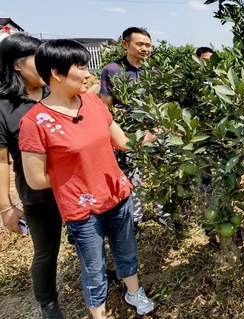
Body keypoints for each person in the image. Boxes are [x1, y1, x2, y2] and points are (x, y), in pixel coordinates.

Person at [19, 39, 155, 319]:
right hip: (82, 208)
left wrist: (154, 137)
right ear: (57, 73)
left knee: (126, 251)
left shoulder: (93, 103)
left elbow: (122, 141)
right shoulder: (35, 122)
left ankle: (133, 292)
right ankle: (98, 313)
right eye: (80, 67)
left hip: (117, 194)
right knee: (93, 267)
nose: (88, 73)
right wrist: (81, 176)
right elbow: (35, 179)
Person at [0, 33, 64, 319]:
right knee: (46, 249)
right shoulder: (4, 108)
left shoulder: (56, 92)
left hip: (73, 183)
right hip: (37, 190)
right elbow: (1, 161)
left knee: (88, 235)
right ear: (16, 65)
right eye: (37, 60)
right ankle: (47, 303)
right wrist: (6, 207)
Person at [99, 27, 158, 227]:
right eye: (140, 44)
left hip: (155, 132)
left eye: (148, 45)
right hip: (129, 134)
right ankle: (135, 219)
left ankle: (165, 214)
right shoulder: (112, 70)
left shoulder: (155, 70)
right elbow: (106, 106)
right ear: (126, 44)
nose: (145, 49)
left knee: (161, 172)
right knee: (135, 177)